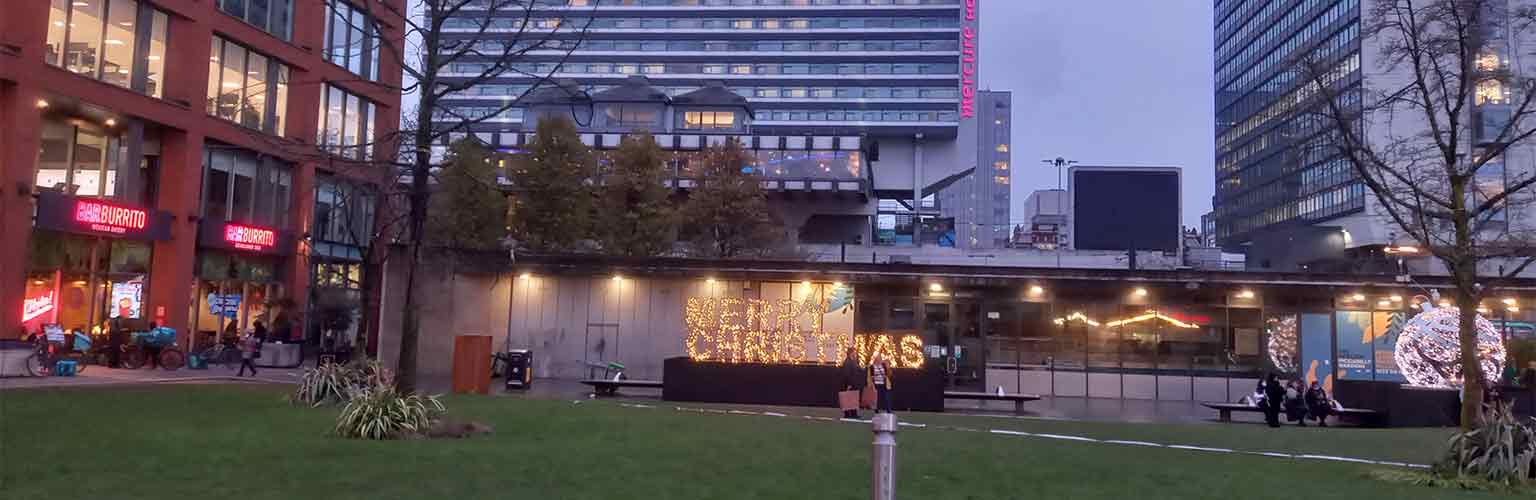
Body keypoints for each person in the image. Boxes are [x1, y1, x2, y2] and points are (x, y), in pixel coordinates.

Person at [839, 348, 865, 419]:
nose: (856, 354)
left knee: (853, 399)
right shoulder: (847, 362)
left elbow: (859, 369)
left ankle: (853, 413)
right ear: (851, 353)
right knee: (848, 398)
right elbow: (846, 374)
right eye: (854, 352)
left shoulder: (854, 362)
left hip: (855, 384)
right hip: (850, 384)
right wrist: (849, 384)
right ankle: (847, 414)